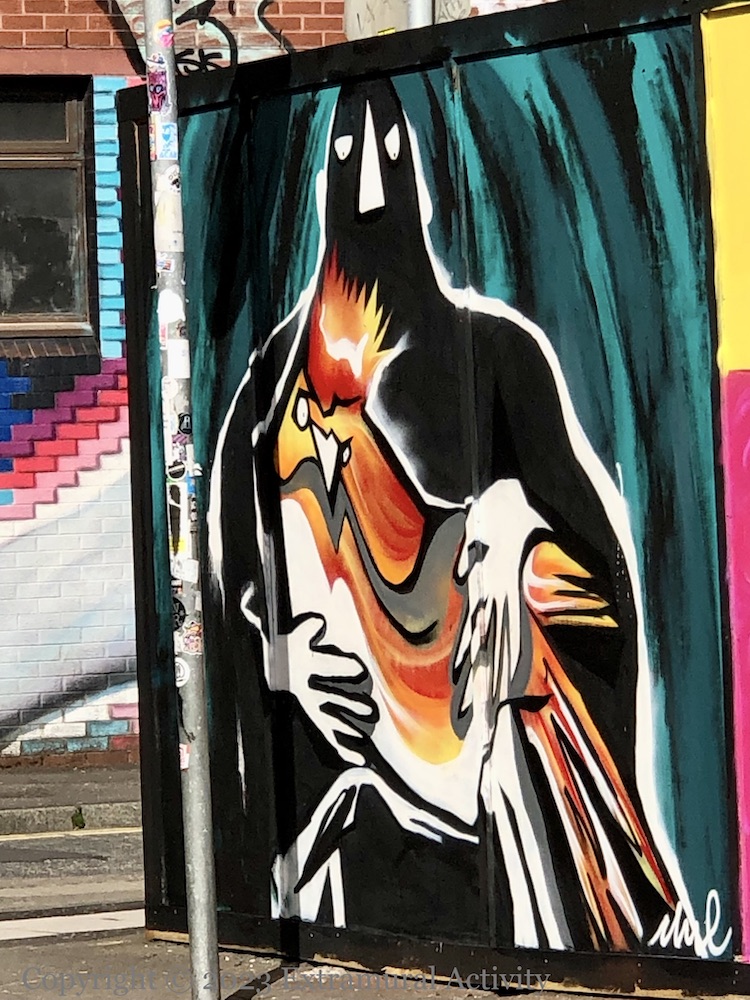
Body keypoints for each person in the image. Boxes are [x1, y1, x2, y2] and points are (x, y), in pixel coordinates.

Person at [209, 77, 683, 951]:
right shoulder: (274, 386)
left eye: (392, 157)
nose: (370, 189)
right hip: (348, 786)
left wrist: (514, 522)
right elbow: (230, 588)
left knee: (535, 584)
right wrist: (278, 661)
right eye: (347, 160)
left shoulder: (497, 354)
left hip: (483, 782)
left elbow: (601, 578)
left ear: (426, 185)